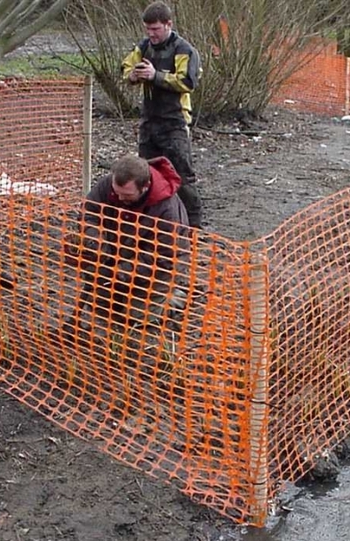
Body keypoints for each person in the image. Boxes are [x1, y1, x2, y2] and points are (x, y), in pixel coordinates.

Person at [63, 154, 189, 341]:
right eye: (117, 193)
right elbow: (89, 213)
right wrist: (95, 242)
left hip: (157, 266)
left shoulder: (167, 211)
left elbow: (161, 258)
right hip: (119, 249)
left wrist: (118, 274)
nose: (120, 198)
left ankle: (175, 297)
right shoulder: (111, 185)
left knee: (139, 317)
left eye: (127, 195)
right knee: (103, 303)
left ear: (144, 187)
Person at [122, 1, 203, 228]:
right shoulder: (144, 46)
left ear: (168, 24)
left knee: (182, 177)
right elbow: (125, 68)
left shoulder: (184, 50)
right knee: (144, 175)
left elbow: (188, 81)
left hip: (174, 122)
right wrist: (134, 76)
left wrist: (155, 76)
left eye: (155, 29)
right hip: (149, 121)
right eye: (148, 29)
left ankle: (194, 228)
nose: (151, 34)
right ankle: (148, 223)